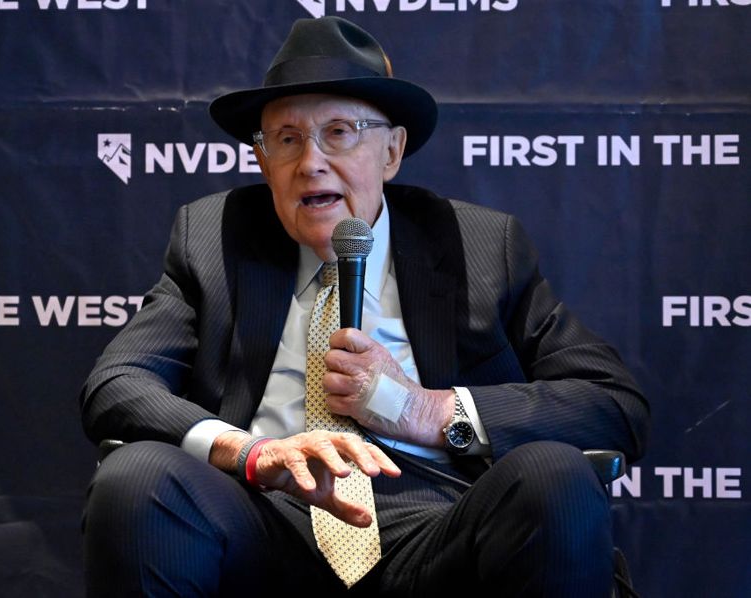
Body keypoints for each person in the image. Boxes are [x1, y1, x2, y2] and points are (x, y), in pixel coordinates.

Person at [80, 16, 649, 597]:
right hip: (265, 519)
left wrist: (427, 411)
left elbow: (612, 404)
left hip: (438, 527)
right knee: (138, 476)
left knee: (553, 476)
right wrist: (250, 452)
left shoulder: (480, 246)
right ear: (262, 161)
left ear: (392, 152)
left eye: (340, 132)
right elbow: (118, 384)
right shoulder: (213, 236)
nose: (311, 162)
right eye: (286, 139)